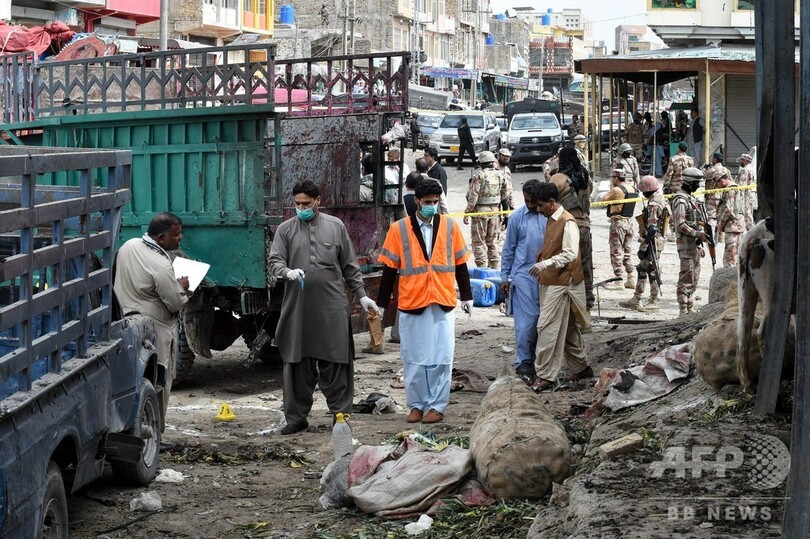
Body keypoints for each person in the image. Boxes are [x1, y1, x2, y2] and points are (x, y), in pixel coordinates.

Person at [268, 180, 381, 435]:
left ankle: (340, 415)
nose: (301, 208)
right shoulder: (285, 230)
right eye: (297, 204)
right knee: (296, 362)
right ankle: (296, 418)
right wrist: (287, 272)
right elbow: (275, 261)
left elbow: (350, 266)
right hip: (298, 308)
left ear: (318, 201)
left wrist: (362, 296)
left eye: (306, 204)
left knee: (337, 360)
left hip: (332, 306)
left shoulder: (335, 226)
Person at [376, 179, 473, 424]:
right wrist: (382, 303)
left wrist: (467, 296)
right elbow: (389, 270)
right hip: (413, 302)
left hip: (442, 300)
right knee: (414, 358)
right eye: (427, 202)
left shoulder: (449, 227)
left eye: (435, 202)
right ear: (417, 201)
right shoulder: (399, 229)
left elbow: (460, 264)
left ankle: (437, 406)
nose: (432, 206)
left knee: (442, 357)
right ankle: (416, 405)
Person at [114, 212, 190, 431]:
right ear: (161, 238)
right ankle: (156, 433)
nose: (181, 238)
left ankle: (133, 428)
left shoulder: (129, 245)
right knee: (160, 382)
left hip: (126, 324)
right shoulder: (161, 265)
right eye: (177, 234)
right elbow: (175, 302)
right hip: (156, 329)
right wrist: (182, 287)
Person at [528, 182, 592, 392]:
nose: (538, 209)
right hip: (551, 280)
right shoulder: (552, 219)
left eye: (540, 205)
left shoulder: (567, 221)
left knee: (547, 326)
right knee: (568, 328)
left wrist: (545, 263)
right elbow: (555, 246)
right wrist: (544, 254)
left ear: (551, 202)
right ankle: (581, 368)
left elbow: (570, 254)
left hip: (563, 282)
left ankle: (544, 375)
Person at [500, 179, 547, 385]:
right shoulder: (516, 218)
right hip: (523, 275)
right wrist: (505, 276)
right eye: (526, 200)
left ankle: (540, 361)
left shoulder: (550, 215)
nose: (529, 205)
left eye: (533, 201)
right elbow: (508, 248)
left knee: (544, 321)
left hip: (547, 275)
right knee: (527, 322)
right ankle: (523, 362)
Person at [549, 146, 595, 310]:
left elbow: (547, 198)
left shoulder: (558, 178)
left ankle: (568, 304)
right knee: (585, 266)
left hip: (566, 227)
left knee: (565, 266)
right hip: (584, 227)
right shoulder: (585, 178)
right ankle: (587, 302)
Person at [619, 175, 667, 312]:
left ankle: (654, 300)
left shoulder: (653, 204)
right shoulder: (660, 198)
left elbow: (652, 228)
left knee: (652, 270)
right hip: (656, 240)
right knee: (642, 268)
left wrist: (644, 246)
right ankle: (636, 298)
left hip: (653, 241)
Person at [671, 167, 708, 317]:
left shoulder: (691, 199)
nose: (698, 186)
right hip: (686, 245)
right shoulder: (680, 200)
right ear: (689, 183)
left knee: (694, 277)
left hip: (695, 245)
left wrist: (700, 242)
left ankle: (690, 306)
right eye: (696, 183)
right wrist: (698, 234)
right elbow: (680, 224)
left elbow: (696, 222)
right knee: (686, 277)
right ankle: (683, 309)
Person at [464, 150, 508, 269]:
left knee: (479, 241)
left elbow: (473, 196)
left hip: (480, 212)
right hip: (495, 211)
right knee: (493, 241)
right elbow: (505, 195)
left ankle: (482, 268)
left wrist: (467, 212)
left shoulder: (479, 175)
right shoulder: (500, 175)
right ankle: (494, 267)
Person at [600, 168, 637, 290]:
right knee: (627, 253)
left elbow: (603, 200)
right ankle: (631, 277)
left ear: (616, 178)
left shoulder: (616, 190)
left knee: (616, 252)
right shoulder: (632, 188)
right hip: (629, 223)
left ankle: (618, 280)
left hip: (618, 223)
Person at [715, 174, 746, 268]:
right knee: (737, 253)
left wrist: (721, 223)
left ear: (721, 181)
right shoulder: (737, 187)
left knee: (730, 256)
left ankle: (729, 273)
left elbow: (729, 209)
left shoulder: (730, 189)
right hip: (739, 225)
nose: (717, 186)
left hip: (733, 226)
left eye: (717, 184)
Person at [702, 151, 731, 222]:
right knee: (719, 216)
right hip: (722, 196)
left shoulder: (712, 169)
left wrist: (704, 168)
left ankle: (711, 228)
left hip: (712, 196)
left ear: (715, 159)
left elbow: (703, 175)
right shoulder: (726, 170)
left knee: (711, 216)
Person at [737, 152, 757, 230]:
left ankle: (750, 229)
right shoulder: (751, 169)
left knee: (747, 212)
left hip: (747, 193)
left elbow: (742, 184)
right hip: (751, 193)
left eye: (741, 160)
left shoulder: (745, 170)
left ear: (745, 161)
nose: (740, 162)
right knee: (750, 211)